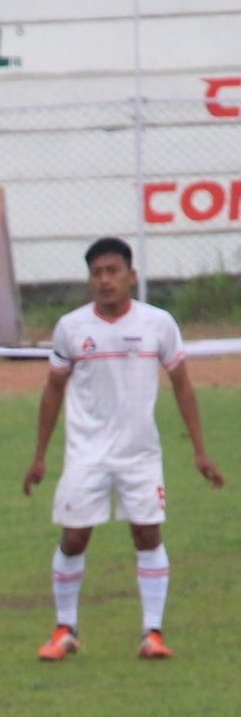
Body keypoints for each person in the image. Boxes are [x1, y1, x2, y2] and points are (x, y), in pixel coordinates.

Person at [25, 237, 222, 661]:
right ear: (89, 279)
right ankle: (65, 629)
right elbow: (52, 391)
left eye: (113, 271)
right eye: (97, 273)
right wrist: (40, 456)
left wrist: (200, 450)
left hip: (140, 454)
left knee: (147, 533)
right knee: (75, 537)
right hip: (86, 454)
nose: (105, 280)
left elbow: (183, 385)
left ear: (131, 275)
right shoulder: (72, 328)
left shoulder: (158, 324)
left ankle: (152, 633)